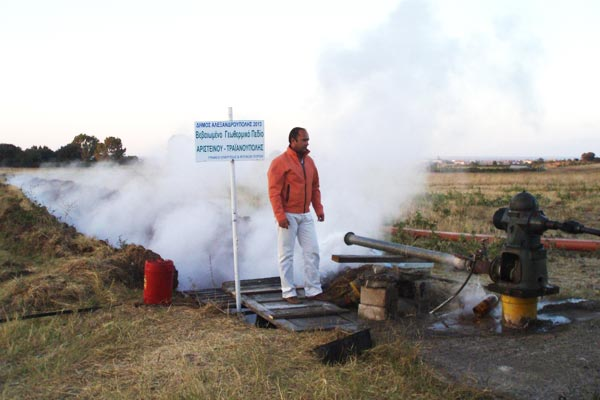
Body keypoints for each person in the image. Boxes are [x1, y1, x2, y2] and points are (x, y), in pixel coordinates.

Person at [267, 127, 327, 304]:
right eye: (304, 140)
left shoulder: (310, 162)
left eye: (308, 140)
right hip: (288, 214)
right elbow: (274, 192)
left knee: (312, 251)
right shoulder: (280, 162)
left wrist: (319, 209)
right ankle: (288, 292)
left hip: (305, 214)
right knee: (286, 254)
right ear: (293, 141)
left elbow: (315, 187)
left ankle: (313, 290)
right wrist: (280, 215)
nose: (307, 143)